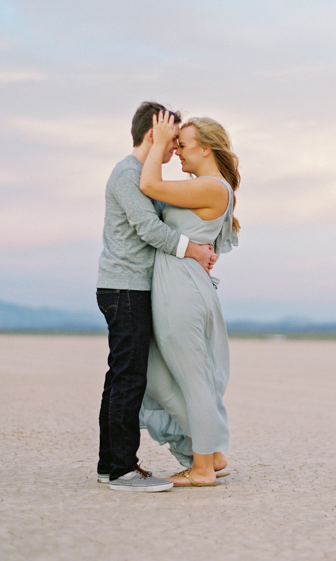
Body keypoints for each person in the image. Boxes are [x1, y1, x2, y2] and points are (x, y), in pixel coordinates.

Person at [96, 102, 217, 492]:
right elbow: (150, 228)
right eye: (170, 142)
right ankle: (122, 470)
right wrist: (194, 251)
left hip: (131, 287)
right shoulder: (127, 174)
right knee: (129, 378)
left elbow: (168, 214)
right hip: (125, 287)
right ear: (154, 134)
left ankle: (108, 464)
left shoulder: (140, 176)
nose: (174, 152)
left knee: (120, 376)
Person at [137, 111, 239, 487]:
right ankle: (210, 452)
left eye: (183, 143)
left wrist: (161, 139)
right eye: (175, 144)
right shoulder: (201, 186)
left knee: (194, 380)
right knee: (159, 381)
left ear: (206, 148)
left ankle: (202, 469)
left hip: (183, 290)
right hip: (174, 285)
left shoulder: (213, 187)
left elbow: (149, 183)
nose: (177, 150)